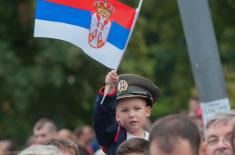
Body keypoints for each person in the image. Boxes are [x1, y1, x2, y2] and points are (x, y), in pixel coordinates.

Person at [93, 70, 160, 155]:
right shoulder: (113, 137)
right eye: (125, 110)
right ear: (117, 115)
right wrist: (109, 90)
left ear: (147, 111)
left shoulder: (155, 142)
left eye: (137, 108)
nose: (131, 115)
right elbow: (103, 120)